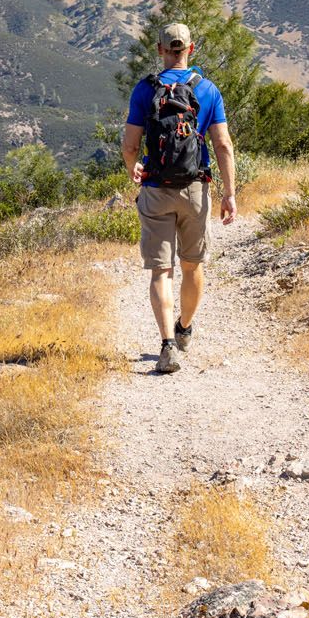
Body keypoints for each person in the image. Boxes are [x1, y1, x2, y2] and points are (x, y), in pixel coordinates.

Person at [120, 22, 237, 373]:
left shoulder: (145, 91)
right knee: (193, 265)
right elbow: (223, 145)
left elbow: (129, 145)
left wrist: (134, 167)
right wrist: (229, 194)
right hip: (195, 189)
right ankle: (184, 327)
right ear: (191, 49)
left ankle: (167, 345)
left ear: (160, 50)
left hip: (156, 189)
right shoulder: (208, 90)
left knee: (161, 270)